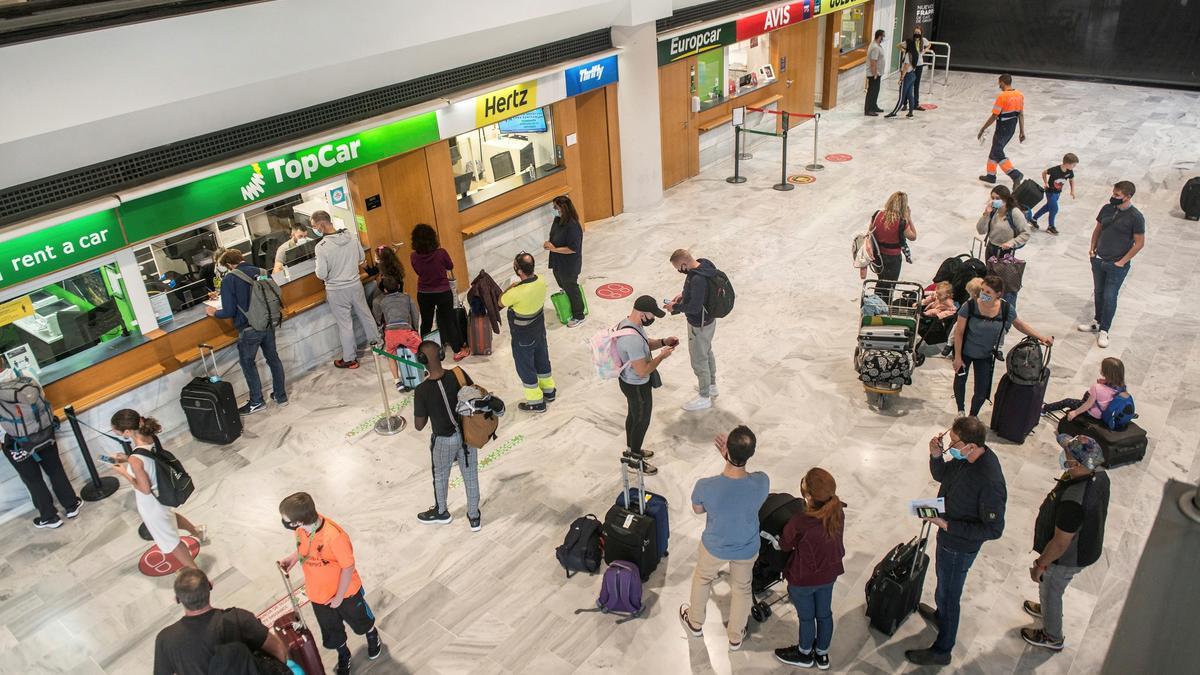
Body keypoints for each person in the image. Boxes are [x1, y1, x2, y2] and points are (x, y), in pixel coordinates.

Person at [906, 416, 1007, 667]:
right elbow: (944, 476)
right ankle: (941, 616)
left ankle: (943, 650)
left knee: (951, 595)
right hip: (947, 531)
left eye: (954, 443)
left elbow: (994, 529)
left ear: (971, 446)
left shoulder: (990, 480)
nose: (950, 446)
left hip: (959, 546)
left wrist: (948, 525)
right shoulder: (967, 459)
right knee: (943, 585)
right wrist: (936, 456)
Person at [679, 426, 769, 652]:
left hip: (715, 546)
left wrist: (727, 460)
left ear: (726, 450)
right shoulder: (762, 481)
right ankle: (736, 637)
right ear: (751, 453)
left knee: (702, 578)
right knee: (742, 589)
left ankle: (695, 622)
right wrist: (732, 459)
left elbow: (698, 510)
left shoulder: (706, 485)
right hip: (747, 547)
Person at [1021, 434, 1110, 651]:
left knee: (1051, 589)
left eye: (1068, 455)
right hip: (1087, 544)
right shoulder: (1100, 474)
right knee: (1050, 589)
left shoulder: (1073, 501)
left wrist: (1041, 564)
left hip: (1068, 557)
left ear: (1077, 463)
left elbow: (1060, 543)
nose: (1064, 457)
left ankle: (1052, 636)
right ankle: (1046, 610)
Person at [278, 492, 381, 675]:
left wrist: (339, 597)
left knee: (361, 621)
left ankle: (372, 635)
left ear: (299, 521)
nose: (284, 522)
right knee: (331, 631)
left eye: (286, 520)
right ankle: (343, 653)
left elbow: (348, 567)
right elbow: (305, 548)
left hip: (346, 593)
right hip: (318, 595)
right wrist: (293, 558)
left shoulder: (335, 537)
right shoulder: (301, 530)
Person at [109, 410, 206, 569]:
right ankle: (197, 532)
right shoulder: (150, 438)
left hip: (152, 503)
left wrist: (124, 472)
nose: (114, 432)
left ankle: (196, 573)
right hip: (163, 492)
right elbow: (149, 457)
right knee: (171, 517)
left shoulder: (135, 459)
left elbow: (144, 489)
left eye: (116, 430)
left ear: (127, 432)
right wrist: (127, 459)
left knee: (171, 543)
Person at [153, 567, 289, 675]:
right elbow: (279, 651)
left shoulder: (165, 640)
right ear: (210, 586)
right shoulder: (238, 619)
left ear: (177, 599)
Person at [774, 468, 846, 670]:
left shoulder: (800, 522)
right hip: (829, 575)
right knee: (824, 614)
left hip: (802, 579)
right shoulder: (838, 512)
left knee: (807, 617)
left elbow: (785, 545)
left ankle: (804, 652)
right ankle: (822, 654)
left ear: (808, 496)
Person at [952, 276, 1054, 417]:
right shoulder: (969, 306)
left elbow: (1019, 324)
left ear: (998, 294)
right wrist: (957, 357)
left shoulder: (1006, 309)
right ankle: (960, 410)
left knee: (982, 389)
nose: (983, 294)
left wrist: (1041, 337)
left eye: (988, 292)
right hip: (966, 352)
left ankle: (972, 415)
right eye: (982, 290)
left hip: (986, 354)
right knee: (960, 380)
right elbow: (959, 332)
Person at [0, 357, 81, 529]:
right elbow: (41, 396)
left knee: (32, 479)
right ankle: (71, 505)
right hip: (43, 433)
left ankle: (50, 517)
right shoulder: (24, 374)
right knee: (55, 469)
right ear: (2, 360)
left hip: (15, 442)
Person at [206, 249, 287, 414]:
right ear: (241, 258)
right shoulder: (262, 272)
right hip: (268, 323)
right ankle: (281, 396)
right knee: (273, 359)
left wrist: (213, 312)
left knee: (248, 363)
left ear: (229, 265)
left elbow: (228, 311)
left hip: (249, 328)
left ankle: (257, 401)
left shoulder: (230, 278)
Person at [411, 340, 482, 529]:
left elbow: (419, 425)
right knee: (471, 475)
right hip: (467, 435)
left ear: (421, 360)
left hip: (444, 440)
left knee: (441, 475)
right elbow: (474, 394)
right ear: (441, 354)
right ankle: (474, 517)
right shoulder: (458, 374)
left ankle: (441, 511)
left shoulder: (422, 390)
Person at [1078, 181, 1146, 349]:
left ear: (1128, 197)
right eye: (1113, 194)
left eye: (1117, 195)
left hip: (1117, 265)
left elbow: (1139, 243)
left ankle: (1105, 330)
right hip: (1099, 259)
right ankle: (1097, 321)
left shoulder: (1136, 217)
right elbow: (1098, 229)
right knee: (1099, 292)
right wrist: (1092, 250)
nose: (1113, 197)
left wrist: (1121, 262)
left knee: (1110, 296)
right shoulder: (1106, 209)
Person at [615, 296, 677, 476]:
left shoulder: (628, 324)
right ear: (642, 313)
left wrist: (663, 342)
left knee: (634, 416)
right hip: (637, 385)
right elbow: (643, 371)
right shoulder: (631, 340)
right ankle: (634, 461)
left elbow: (645, 343)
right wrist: (662, 357)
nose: (653, 319)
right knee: (641, 421)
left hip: (628, 381)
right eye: (652, 315)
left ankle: (632, 449)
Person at [313, 210, 379, 369]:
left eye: (314, 226)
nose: (314, 229)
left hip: (337, 290)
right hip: (355, 284)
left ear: (321, 225)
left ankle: (350, 358)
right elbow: (361, 259)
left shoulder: (321, 247)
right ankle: (378, 344)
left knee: (345, 324)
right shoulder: (351, 236)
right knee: (365, 314)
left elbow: (321, 274)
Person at [499, 252, 557, 413]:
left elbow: (500, 301)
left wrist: (511, 286)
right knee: (542, 359)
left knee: (526, 367)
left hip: (523, 337)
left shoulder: (516, 292)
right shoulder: (541, 280)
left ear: (518, 271)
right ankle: (549, 391)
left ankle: (536, 402)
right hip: (539, 331)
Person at [665, 249, 720, 412]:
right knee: (707, 352)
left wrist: (675, 307)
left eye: (678, 268)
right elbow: (700, 295)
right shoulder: (704, 264)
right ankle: (711, 386)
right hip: (709, 320)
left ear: (684, 264)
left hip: (699, 324)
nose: (679, 271)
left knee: (699, 359)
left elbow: (694, 308)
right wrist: (683, 295)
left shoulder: (697, 279)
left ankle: (704, 397)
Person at [411, 223, 470, 362]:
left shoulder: (413, 256)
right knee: (449, 320)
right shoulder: (441, 253)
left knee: (426, 322)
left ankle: (424, 352)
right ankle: (457, 351)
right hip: (443, 292)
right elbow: (450, 266)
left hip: (424, 293)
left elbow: (418, 271)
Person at [371, 275, 421, 391]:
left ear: (384, 290)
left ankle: (397, 381)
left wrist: (379, 324)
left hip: (390, 333)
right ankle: (424, 370)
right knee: (421, 347)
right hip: (405, 331)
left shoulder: (382, 301)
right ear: (399, 286)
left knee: (391, 356)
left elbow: (378, 317)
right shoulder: (407, 298)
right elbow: (415, 314)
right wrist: (415, 329)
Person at [543, 195, 586, 327]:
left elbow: (573, 249)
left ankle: (579, 315)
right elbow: (554, 237)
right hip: (558, 261)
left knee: (571, 287)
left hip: (569, 264)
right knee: (563, 284)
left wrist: (554, 249)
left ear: (563, 208)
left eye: (555, 207)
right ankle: (569, 304)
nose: (554, 209)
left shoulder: (573, 226)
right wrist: (549, 244)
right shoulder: (557, 221)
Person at [977, 74, 1026, 186]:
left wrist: (983, 128)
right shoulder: (1020, 95)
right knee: (995, 148)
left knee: (998, 152)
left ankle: (1015, 174)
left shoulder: (1002, 96)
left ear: (1002, 82)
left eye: (999, 83)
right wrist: (1022, 131)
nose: (999, 85)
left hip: (1002, 127)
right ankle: (991, 175)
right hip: (1012, 127)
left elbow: (994, 116)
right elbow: (1021, 114)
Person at [1044, 357, 1126, 421]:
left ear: (1105, 372)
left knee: (1067, 401)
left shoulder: (1097, 388)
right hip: (1105, 412)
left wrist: (1075, 413)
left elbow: (1088, 404)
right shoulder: (1122, 386)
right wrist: (1105, 382)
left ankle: (1044, 408)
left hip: (1094, 413)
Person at [868, 191, 918, 288]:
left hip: (877, 255)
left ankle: (876, 299)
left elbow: (870, 231)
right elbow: (913, 236)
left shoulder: (877, 214)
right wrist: (909, 217)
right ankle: (882, 302)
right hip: (893, 258)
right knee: (890, 285)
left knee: (881, 280)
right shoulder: (901, 221)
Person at [977, 185, 1032, 261]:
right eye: (993, 198)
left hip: (1006, 253)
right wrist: (986, 215)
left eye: (998, 198)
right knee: (989, 271)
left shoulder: (1015, 212)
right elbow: (981, 231)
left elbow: (1026, 233)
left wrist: (1012, 243)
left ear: (1005, 199)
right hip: (990, 248)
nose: (994, 201)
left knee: (1000, 273)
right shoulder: (993, 211)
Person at [1032, 153, 1078, 235]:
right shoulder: (1055, 170)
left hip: (1058, 193)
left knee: (1048, 207)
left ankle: (1034, 219)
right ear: (1067, 164)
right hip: (1050, 192)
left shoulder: (1070, 171)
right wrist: (1046, 183)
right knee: (1054, 209)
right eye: (1073, 165)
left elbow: (1071, 180)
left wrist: (1072, 191)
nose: (1074, 167)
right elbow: (1044, 172)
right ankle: (1051, 226)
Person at [885, 36, 917, 119]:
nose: (904, 44)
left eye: (905, 43)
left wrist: (901, 78)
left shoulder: (907, 54)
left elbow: (906, 66)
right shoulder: (914, 53)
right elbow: (899, 46)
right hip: (913, 75)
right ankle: (910, 113)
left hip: (907, 76)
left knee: (902, 95)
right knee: (910, 95)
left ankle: (894, 112)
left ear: (908, 45)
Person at [910, 26, 933, 110]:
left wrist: (925, 50)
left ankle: (916, 104)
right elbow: (900, 46)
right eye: (915, 32)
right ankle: (905, 103)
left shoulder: (923, 40)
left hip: (919, 65)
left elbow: (929, 44)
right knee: (908, 85)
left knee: (916, 85)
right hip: (911, 65)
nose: (917, 34)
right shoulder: (910, 41)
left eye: (918, 33)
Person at [865, 29, 886, 116]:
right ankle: (868, 109)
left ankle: (874, 106)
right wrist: (875, 74)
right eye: (883, 36)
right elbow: (873, 61)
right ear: (880, 36)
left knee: (876, 91)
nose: (884, 38)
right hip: (874, 73)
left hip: (877, 73)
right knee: (872, 91)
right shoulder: (875, 47)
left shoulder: (877, 45)